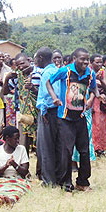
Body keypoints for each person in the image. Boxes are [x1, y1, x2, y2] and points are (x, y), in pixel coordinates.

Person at [47, 48, 103, 192]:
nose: (85, 62)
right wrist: (54, 98)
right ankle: (66, 184)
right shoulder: (65, 71)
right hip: (65, 118)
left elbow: (94, 88)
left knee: (84, 151)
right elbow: (48, 82)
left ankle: (83, 182)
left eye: (87, 59)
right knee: (66, 151)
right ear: (74, 58)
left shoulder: (90, 73)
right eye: (82, 59)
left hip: (81, 117)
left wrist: (97, 96)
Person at [35, 47, 61, 186]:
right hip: (57, 112)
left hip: (48, 112)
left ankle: (49, 180)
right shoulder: (56, 70)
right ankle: (56, 176)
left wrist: (44, 111)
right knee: (56, 146)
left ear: (40, 58)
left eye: (35, 58)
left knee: (46, 147)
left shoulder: (46, 74)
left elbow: (50, 94)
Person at [0, 126, 30, 207]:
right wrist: (5, 166)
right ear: (7, 138)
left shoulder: (21, 149)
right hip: (1, 179)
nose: (18, 141)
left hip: (18, 179)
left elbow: (25, 171)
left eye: (18, 138)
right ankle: (1, 199)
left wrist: (14, 164)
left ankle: (10, 200)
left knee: (18, 190)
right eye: (16, 139)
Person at [90, 54, 106, 156]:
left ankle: (100, 148)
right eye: (97, 62)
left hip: (100, 101)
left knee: (100, 125)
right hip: (91, 101)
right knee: (93, 124)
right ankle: (93, 147)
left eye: (100, 62)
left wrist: (100, 80)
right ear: (91, 62)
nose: (99, 64)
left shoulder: (103, 72)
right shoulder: (88, 72)